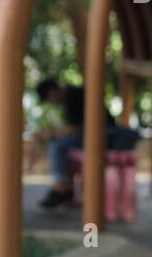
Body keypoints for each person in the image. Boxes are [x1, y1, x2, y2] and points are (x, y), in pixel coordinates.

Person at [34, 77, 123, 209]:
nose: (51, 102)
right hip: (92, 135)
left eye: (48, 99)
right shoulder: (70, 97)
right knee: (60, 145)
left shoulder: (74, 96)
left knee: (57, 145)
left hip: (104, 134)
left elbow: (74, 129)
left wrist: (50, 133)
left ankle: (62, 186)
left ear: (53, 92)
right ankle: (64, 186)